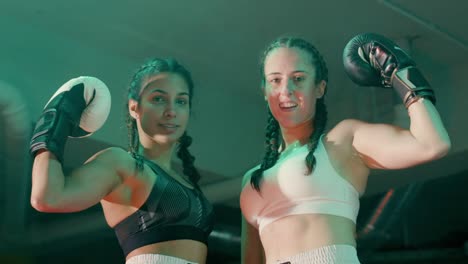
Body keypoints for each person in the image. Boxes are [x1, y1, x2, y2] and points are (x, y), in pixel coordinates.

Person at [239, 33, 451, 264]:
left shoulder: (343, 141)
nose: (286, 90)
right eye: (275, 80)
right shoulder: (252, 179)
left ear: (320, 88)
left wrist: (401, 72)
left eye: (298, 78)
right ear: (264, 90)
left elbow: (432, 144)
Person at [30, 58, 215, 264]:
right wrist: (54, 124)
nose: (171, 111)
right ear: (134, 108)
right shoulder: (121, 163)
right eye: (158, 99)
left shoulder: (186, 182)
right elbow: (47, 198)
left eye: (181, 101)